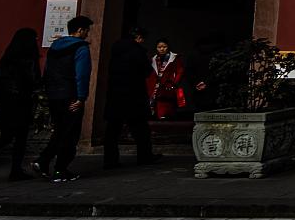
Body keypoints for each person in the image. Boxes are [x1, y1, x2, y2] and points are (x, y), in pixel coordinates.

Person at [0, 28, 41, 182]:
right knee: (20, 138)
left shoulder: (6, 59)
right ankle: (15, 170)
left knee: (6, 137)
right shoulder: (29, 59)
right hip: (21, 103)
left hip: (4, 104)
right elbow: (34, 81)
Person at [36, 16, 92, 183]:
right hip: (71, 95)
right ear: (80, 30)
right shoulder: (81, 48)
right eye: (87, 30)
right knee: (70, 133)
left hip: (54, 95)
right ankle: (57, 168)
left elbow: (47, 71)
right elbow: (82, 75)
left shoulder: (54, 47)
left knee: (60, 130)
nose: (88, 34)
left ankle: (46, 163)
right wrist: (81, 97)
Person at [102, 26, 160, 169]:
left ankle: (110, 160)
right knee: (140, 128)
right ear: (139, 37)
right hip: (134, 94)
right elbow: (147, 71)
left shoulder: (116, 49)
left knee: (112, 129)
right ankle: (145, 156)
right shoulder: (138, 51)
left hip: (115, 93)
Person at [148, 40, 188, 120]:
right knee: (156, 107)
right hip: (156, 87)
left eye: (164, 47)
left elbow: (180, 71)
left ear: (168, 47)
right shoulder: (153, 59)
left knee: (169, 106)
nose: (162, 49)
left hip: (169, 86)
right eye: (159, 47)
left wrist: (174, 83)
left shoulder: (174, 58)